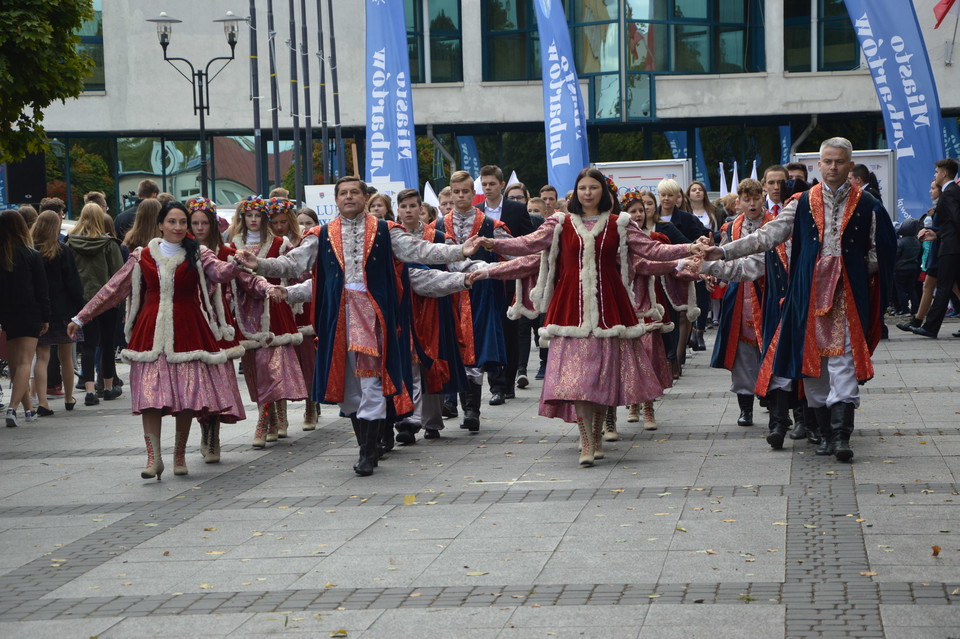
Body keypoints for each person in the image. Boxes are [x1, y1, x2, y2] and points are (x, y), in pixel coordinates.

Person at [235, 176, 484, 476]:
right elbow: (293, 264)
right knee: (349, 389)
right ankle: (367, 444)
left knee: (372, 384)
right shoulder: (322, 234)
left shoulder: (385, 231)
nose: (349, 197)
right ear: (336, 199)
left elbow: (422, 252)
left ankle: (368, 451)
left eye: (355, 192)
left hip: (375, 319)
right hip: (337, 320)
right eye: (344, 193)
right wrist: (260, 265)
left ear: (365, 198)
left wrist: (460, 252)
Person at [470, 169, 702, 467]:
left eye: (594, 187)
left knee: (600, 378)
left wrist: (689, 248)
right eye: (582, 188)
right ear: (576, 192)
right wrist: (494, 244)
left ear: (603, 192)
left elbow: (652, 249)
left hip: (610, 310)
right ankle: (587, 440)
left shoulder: (621, 223)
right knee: (580, 380)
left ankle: (595, 434)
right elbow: (528, 245)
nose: (588, 193)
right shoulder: (559, 222)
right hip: (570, 310)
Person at [703, 138, 896, 462]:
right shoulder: (804, 202)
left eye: (840, 161)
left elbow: (884, 250)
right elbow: (766, 236)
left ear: (850, 165)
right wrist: (722, 250)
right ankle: (822, 432)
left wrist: (855, 269)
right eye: (828, 161)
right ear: (818, 166)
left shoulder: (867, 204)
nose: (833, 167)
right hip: (806, 299)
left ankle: (840, 435)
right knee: (814, 368)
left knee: (844, 365)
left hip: (846, 299)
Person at [69, 202, 280, 478]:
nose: (178, 227)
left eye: (183, 222)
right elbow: (112, 289)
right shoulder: (142, 255)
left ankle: (179, 455)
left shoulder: (199, 254)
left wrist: (236, 263)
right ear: (160, 225)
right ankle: (153, 459)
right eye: (172, 222)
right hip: (150, 333)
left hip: (189, 331)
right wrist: (80, 318)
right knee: (149, 398)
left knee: (187, 397)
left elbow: (221, 273)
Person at [703, 179, 795, 446]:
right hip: (739, 295)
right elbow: (722, 258)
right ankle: (746, 407)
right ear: (738, 202)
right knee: (741, 353)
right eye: (747, 199)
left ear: (763, 198)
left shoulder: (775, 223)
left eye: (757, 198)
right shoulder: (731, 227)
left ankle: (778, 409)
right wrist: (713, 277)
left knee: (771, 348)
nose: (752, 203)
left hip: (769, 293)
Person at [436, 170, 513, 430]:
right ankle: (452, 402)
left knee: (477, 346)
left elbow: (513, 254)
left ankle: (472, 409)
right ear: (450, 192)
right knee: (450, 346)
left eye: (465, 191)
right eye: (456, 191)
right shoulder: (437, 225)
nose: (460, 196)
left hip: (481, 294)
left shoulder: (490, 225)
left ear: (473, 192)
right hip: (447, 294)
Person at [230, 196, 307, 446]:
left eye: (258, 216)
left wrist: (293, 299)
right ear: (242, 218)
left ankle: (265, 421)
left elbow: (295, 273)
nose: (253, 220)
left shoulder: (278, 243)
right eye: (249, 215)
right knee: (255, 367)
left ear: (265, 219)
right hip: (247, 312)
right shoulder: (234, 244)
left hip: (274, 307)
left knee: (272, 366)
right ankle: (271, 416)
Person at [476, 165, 534, 405]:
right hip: (486, 280)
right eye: (484, 184)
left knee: (509, 332)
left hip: (511, 281)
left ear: (501, 184)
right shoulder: (477, 211)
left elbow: (527, 242)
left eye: (492, 183)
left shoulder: (516, 209)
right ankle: (496, 385)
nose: (488, 188)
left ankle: (508, 381)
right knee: (490, 330)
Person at [66, 203, 124, 406]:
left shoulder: (70, 244)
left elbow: (69, 275)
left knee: (88, 345)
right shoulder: (109, 244)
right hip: (106, 301)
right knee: (107, 344)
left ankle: (89, 390)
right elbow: (119, 275)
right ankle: (107, 387)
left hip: (82, 301)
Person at [30, 211, 85, 416]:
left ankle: (42, 401)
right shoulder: (62, 251)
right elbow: (73, 283)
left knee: (42, 357)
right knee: (66, 358)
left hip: (40, 311)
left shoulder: (31, 251)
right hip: (64, 310)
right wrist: (81, 308)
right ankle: (69, 397)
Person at [0, 210, 50, 427]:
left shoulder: (3, 255)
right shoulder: (31, 255)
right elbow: (42, 289)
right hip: (30, 311)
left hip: (8, 314)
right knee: (24, 362)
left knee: (15, 364)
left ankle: (28, 409)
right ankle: (12, 408)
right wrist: (46, 317)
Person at [908, 158, 960, 339]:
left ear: (944, 174)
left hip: (951, 247)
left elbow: (956, 219)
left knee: (944, 287)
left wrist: (943, 236)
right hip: (951, 244)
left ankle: (930, 327)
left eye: (937, 172)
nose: (935, 175)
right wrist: (937, 234)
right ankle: (928, 325)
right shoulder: (953, 191)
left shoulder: (950, 192)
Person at [657, 178, 709, 357]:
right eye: (663, 195)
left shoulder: (687, 218)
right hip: (658, 271)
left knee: (682, 313)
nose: (666, 199)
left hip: (682, 270)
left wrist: (696, 252)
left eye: (670, 195)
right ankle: (669, 356)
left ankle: (677, 358)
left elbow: (695, 240)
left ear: (677, 197)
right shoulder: (652, 217)